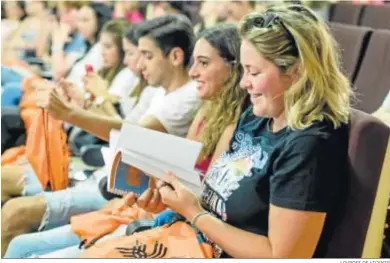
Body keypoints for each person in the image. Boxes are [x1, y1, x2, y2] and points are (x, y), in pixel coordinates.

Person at [120, 5, 351, 258]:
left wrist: (194, 213)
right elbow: (215, 202)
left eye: (254, 72)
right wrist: (171, 202)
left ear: (296, 71)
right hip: (191, 243)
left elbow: (282, 256)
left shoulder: (309, 146)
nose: (243, 83)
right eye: (244, 70)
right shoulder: (254, 118)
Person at [4, 23, 249, 259]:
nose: (135, 63)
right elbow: (133, 138)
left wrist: (74, 112)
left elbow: (132, 137)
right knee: (18, 238)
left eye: (145, 55)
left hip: (154, 214)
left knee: (19, 229)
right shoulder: (203, 106)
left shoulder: (196, 102)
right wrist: (85, 106)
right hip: (139, 200)